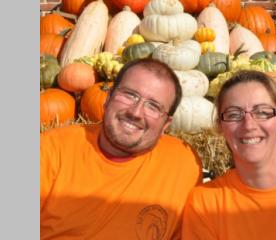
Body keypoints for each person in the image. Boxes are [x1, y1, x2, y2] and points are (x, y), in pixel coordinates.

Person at [40, 58, 203, 239]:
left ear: (166, 124)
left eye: (154, 106)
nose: (135, 112)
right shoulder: (51, 149)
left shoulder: (184, 163)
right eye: (129, 95)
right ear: (108, 98)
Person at [182, 70, 276, 240]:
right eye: (234, 114)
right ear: (219, 127)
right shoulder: (206, 204)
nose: (248, 125)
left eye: (262, 112)